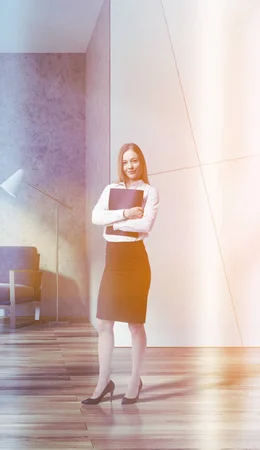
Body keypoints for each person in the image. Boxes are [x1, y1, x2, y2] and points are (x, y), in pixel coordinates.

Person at [82, 143, 159, 405]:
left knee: (135, 325)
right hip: (113, 260)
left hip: (136, 261)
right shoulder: (111, 189)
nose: (130, 166)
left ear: (142, 162)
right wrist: (125, 214)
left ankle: (135, 380)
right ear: (121, 164)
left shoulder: (150, 192)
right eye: (126, 161)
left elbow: (145, 225)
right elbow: (95, 217)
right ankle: (104, 381)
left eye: (135, 160)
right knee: (104, 322)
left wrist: (113, 221)